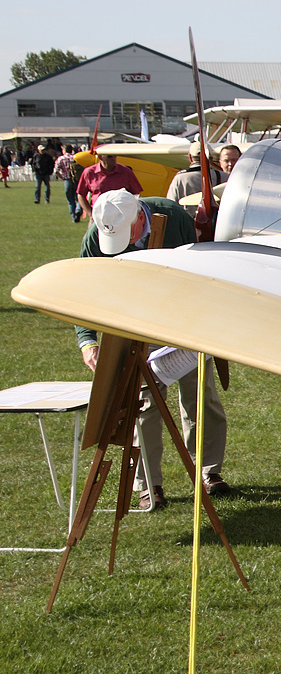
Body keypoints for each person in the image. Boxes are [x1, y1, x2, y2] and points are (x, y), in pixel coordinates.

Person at [77, 190, 230, 510]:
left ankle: (208, 470)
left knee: (200, 394)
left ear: (139, 218)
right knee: (143, 403)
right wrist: (87, 340)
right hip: (134, 323)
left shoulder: (172, 217)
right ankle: (149, 484)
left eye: (126, 233)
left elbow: (200, 268)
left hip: (183, 317)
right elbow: (85, 289)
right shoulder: (96, 236)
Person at [76, 150, 141, 219]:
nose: (113, 158)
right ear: (100, 157)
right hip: (98, 216)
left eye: (115, 156)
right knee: (92, 230)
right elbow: (81, 194)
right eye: (109, 156)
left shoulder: (126, 171)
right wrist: (91, 213)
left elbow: (136, 194)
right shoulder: (89, 172)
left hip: (121, 216)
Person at [165, 141, 223, 206]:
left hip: (187, 216)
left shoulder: (179, 178)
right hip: (217, 216)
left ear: (190, 157)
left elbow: (170, 203)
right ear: (211, 159)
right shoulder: (224, 176)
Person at [53, 145, 77, 218]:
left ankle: (73, 216)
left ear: (64, 150)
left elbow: (56, 171)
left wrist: (62, 177)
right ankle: (78, 210)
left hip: (67, 179)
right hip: (76, 179)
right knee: (78, 198)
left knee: (70, 199)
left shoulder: (61, 158)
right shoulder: (75, 157)